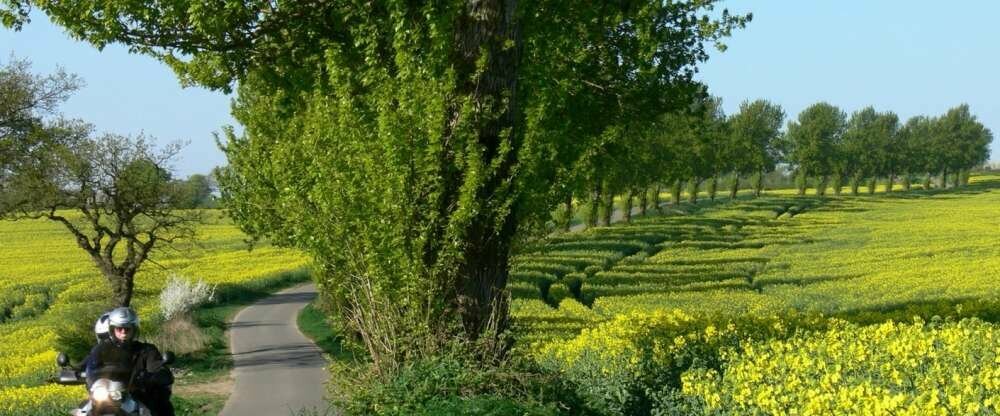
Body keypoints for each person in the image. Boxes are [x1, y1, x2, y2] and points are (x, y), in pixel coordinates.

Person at [85, 307, 175, 416]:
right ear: (112, 329)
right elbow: (87, 364)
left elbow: (157, 367)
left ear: (134, 329)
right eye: (119, 328)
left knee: (159, 408)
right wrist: (73, 372)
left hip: (137, 394)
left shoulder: (146, 350)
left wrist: (157, 374)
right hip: (106, 395)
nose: (123, 332)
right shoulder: (101, 349)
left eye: (127, 329)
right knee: (82, 411)